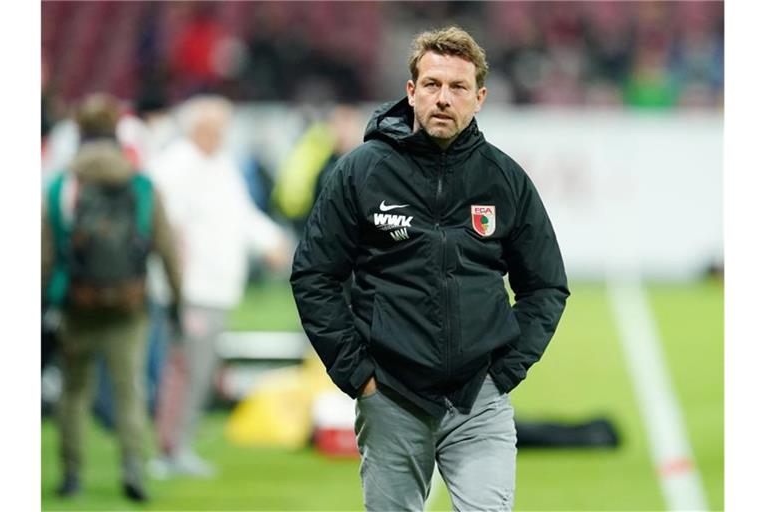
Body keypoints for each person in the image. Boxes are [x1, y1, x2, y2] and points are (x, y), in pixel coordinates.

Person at [291, 26, 569, 511]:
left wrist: (505, 370)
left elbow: (545, 284)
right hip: (391, 397)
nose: (444, 98)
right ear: (411, 92)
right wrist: (358, 374)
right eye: (433, 85)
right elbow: (314, 274)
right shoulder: (360, 171)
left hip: (480, 399)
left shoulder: (504, 179)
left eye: (458, 87)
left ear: (479, 97)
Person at [42, 93, 183, 502]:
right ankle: (134, 470)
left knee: (73, 392)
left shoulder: (61, 187)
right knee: (130, 390)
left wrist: (43, 302)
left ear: (80, 133)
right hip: (129, 302)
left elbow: (45, 255)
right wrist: (176, 299)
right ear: (118, 132)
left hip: (75, 303)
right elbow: (166, 248)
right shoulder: (140, 185)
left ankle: (71, 475)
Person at [148, 95, 290, 478]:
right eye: (215, 129)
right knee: (186, 369)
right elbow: (167, 227)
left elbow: (240, 216)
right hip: (191, 289)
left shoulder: (220, 165)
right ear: (198, 128)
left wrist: (270, 240)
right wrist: (178, 281)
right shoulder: (175, 166)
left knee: (199, 368)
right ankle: (169, 450)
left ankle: (178, 444)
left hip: (216, 288)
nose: (221, 136)